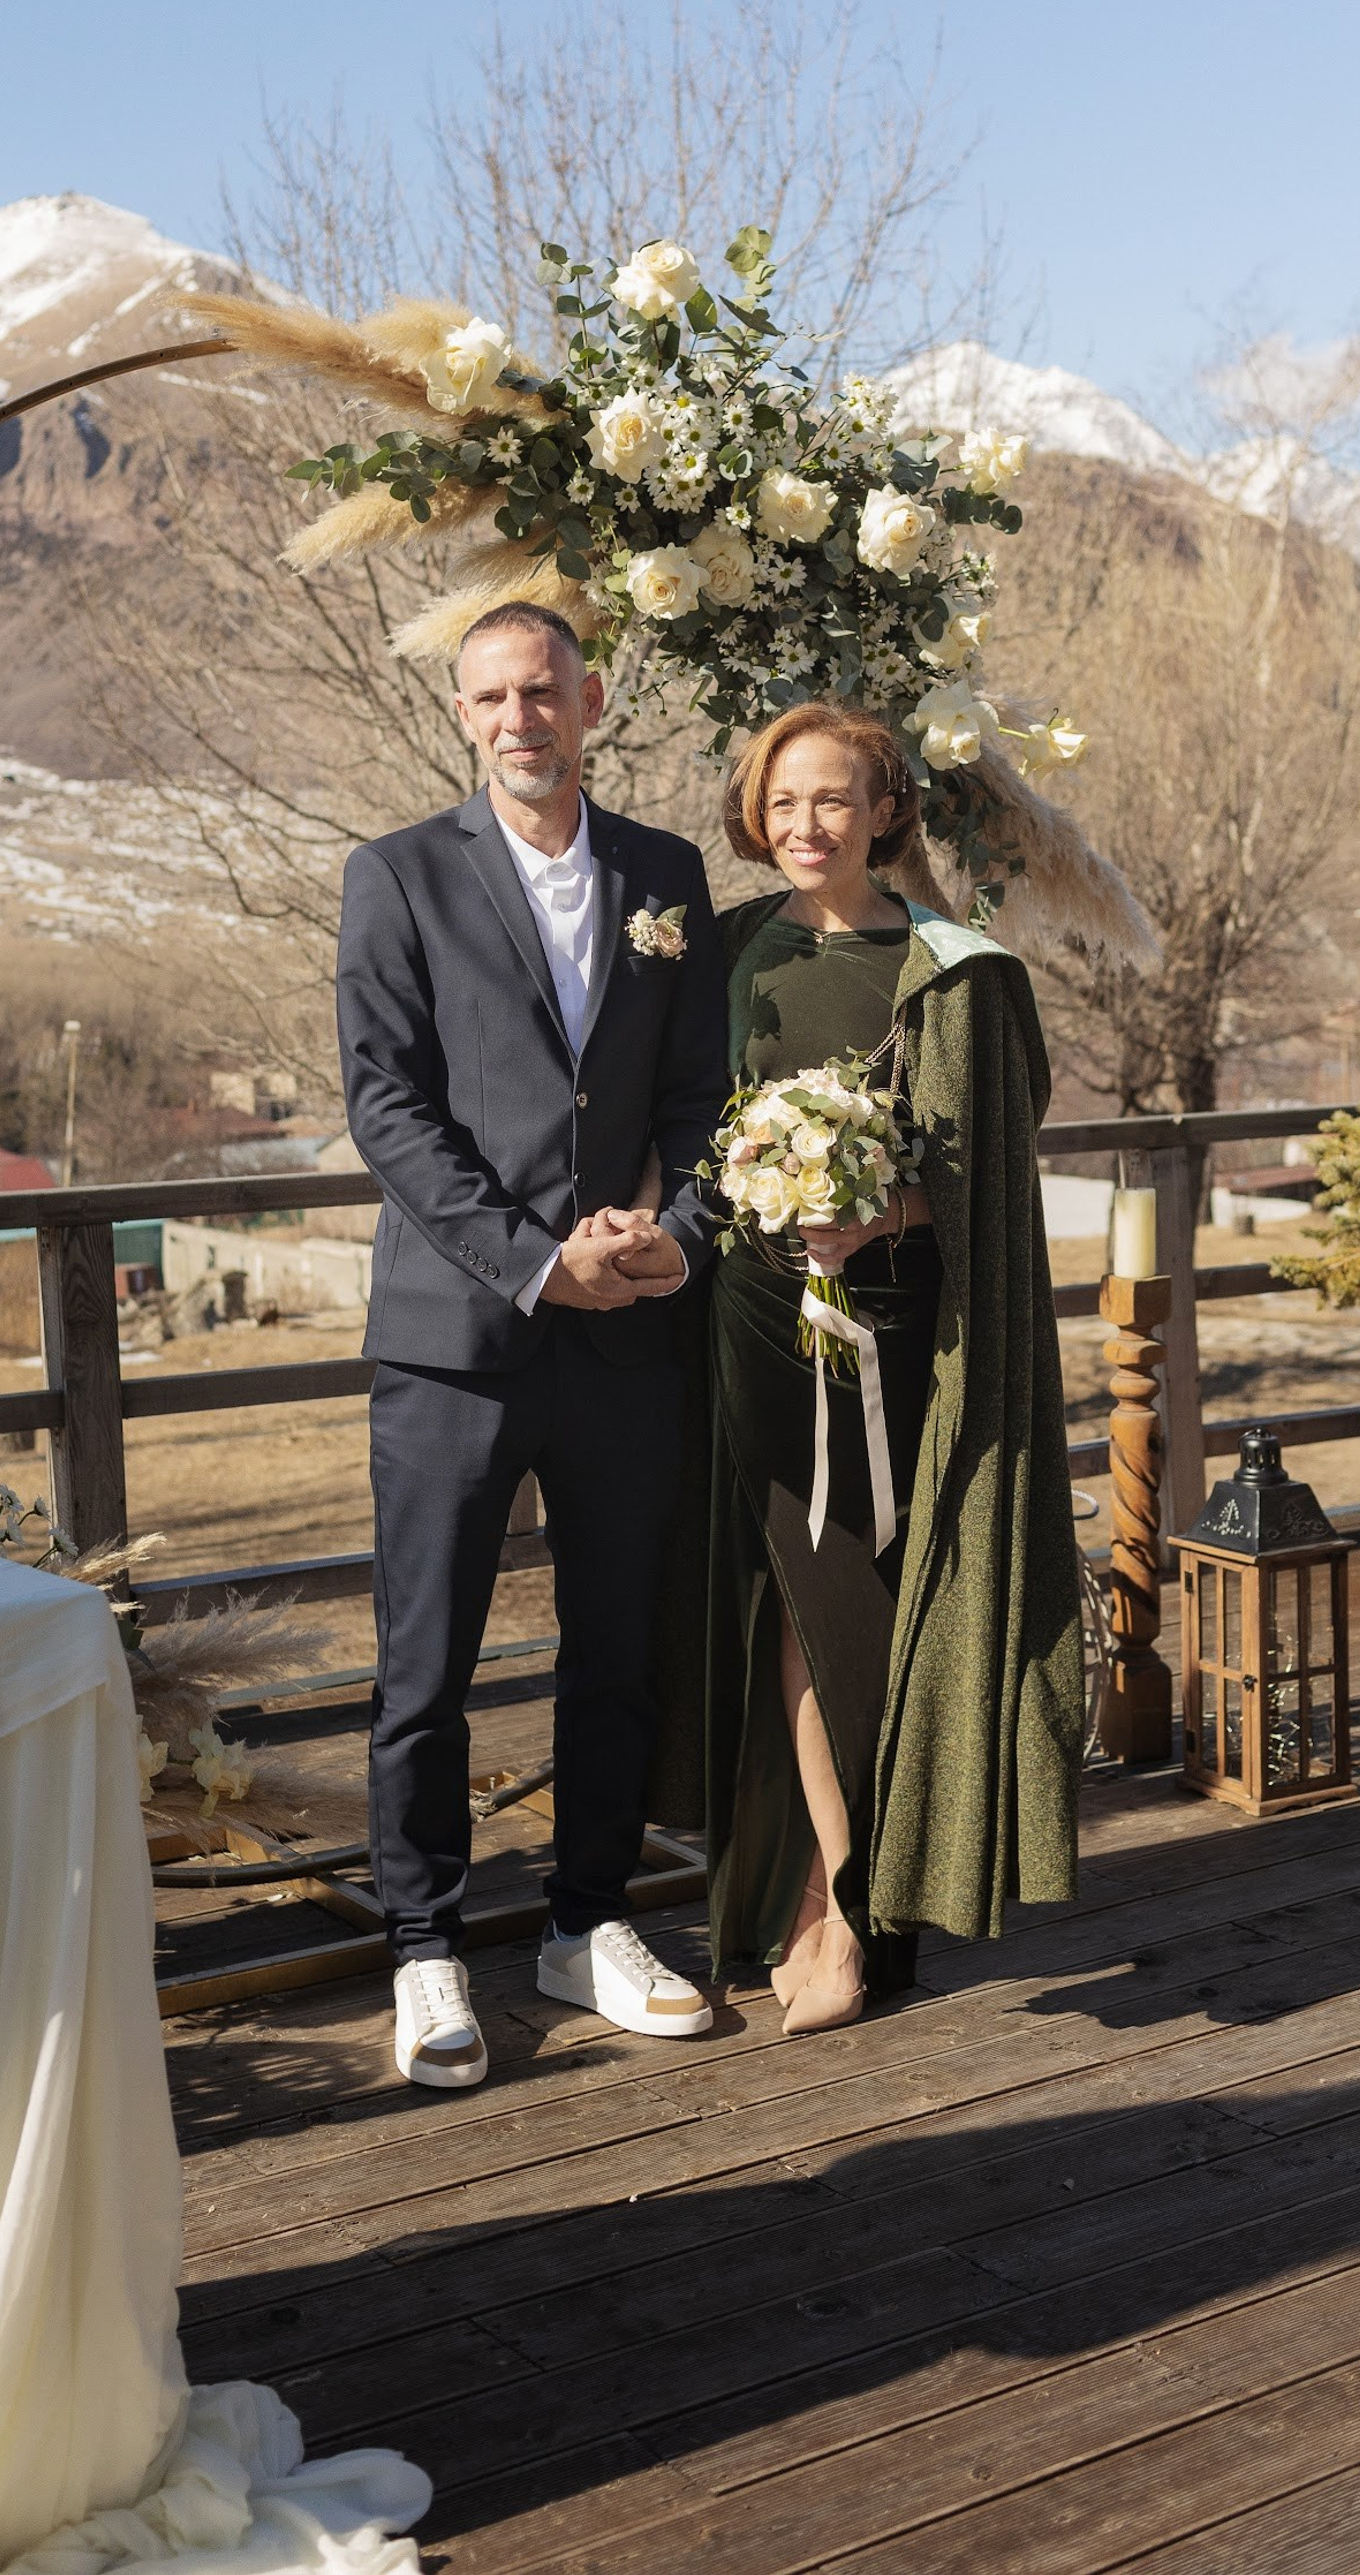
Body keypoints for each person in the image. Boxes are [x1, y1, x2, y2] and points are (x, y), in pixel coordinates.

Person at [637, 702, 1082, 2037]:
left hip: (901, 1340)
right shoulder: (726, 952)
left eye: (833, 798)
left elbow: (990, 1170)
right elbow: (680, 1126)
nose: (806, 824)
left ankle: (868, 1899)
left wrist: (885, 1209)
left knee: (882, 1612)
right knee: (791, 1605)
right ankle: (823, 1895)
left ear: (885, 810)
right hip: (754, 1327)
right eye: (783, 801)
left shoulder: (953, 971)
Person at [335, 601, 730, 2091]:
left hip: (626, 1332)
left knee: (616, 1646)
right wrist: (530, 1263)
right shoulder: (397, 874)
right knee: (425, 1663)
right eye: (493, 696)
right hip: (456, 1337)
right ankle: (423, 1943)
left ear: (593, 698)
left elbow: (700, 1095)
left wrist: (677, 1233)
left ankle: (585, 1922)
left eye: (545, 691)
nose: (521, 718)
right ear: (463, 713)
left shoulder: (666, 876)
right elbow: (387, 1107)